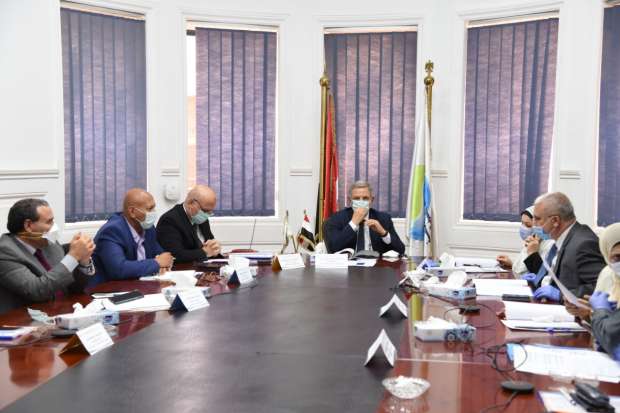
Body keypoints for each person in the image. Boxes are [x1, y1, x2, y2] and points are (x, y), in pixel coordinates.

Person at [0, 199, 95, 314]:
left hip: (60, 312)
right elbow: (37, 291)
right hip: (24, 318)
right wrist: (73, 257)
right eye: (49, 222)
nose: (54, 227)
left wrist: (83, 261)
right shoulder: (5, 252)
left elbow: (74, 288)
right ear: (28, 225)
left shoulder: (50, 243)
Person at [527, 192, 605, 302]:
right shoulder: (562, 239)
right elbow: (556, 278)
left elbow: (602, 287)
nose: (534, 224)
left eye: (537, 219)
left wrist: (562, 295)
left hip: (570, 310)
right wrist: (539, 280)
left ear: (555, 221)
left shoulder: (584, 244)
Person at [92, 188, 173, 284]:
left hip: (140, 285)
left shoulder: (148, 227)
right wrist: (157, 263)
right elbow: (118, 269)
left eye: (154, 208)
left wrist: (165, 264)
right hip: (108, 288)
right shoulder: (112, 231)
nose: (153, 212)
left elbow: (160, 254)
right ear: (132, 212)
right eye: (149, 209)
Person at [324, 181, 405, 255]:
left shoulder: (383, 218)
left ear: (371, 200)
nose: (361, 202)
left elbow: (401, 250)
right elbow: (332, 249)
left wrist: (383, 233)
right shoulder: (336, 219)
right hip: (349, 264)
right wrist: (353, 223)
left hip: (376, 264)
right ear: (349, 200)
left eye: (365, 198)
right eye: (356, 198)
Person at [156, 185, 221, 263]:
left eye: (211, 211)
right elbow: (175, 255)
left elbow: (210, 245)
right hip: (182, 268)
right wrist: (205, 252)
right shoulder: (169, 220)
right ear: (191, 203)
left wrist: (215, 248)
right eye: (205, 211)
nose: (208, 215)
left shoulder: (202, 218)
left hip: (203, 266)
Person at [589, 222, 620, 360]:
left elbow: (611, 335)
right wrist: (588, 313)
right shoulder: (607, 273)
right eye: (618, 257)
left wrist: (601, 311)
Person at [496, 206, 554, 277]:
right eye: (522, 223)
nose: (523, 228)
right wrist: (511, 264)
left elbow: (541, 277)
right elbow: (522, 271)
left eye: (528, 225)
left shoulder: (551, 245)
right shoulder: (532, 241)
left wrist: (533, 253)